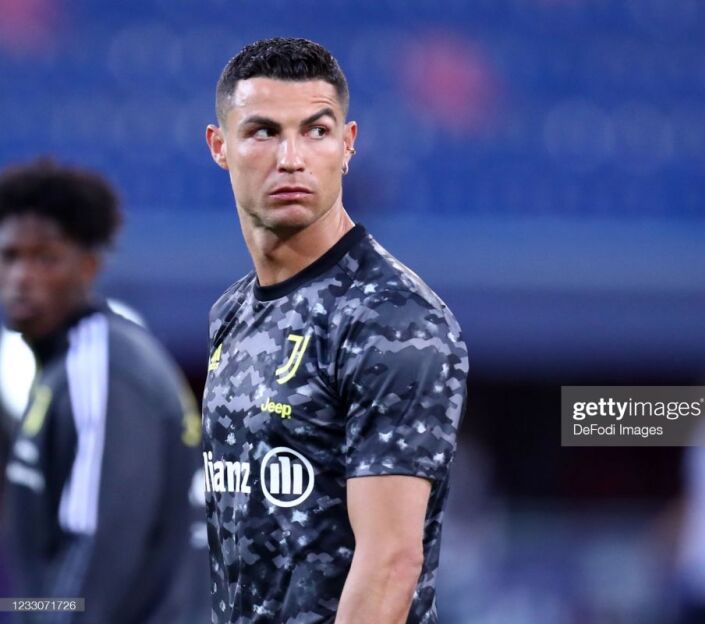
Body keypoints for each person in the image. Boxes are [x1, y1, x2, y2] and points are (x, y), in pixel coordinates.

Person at [202, 37, 468, 624]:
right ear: (220, 146)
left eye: (316, 132)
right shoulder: (232, 313)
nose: (291, 158)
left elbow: (391, 563)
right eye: (263, 132)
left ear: (347, 145)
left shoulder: (392, 320)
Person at [0, 160, 210, 623]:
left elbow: (97, 546)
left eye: (45, 258)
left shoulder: (99, 368)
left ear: (88, 267)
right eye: (10, 257)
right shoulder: (66, 367)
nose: (21, 277)